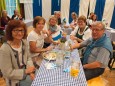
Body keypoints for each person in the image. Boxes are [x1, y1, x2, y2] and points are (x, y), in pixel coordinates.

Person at [0, 20, 35, 86]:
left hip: (27, 70)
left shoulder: (24, 42)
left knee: (40, 76)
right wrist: (26, 71)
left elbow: (28, 58)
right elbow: (8, 73)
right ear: (10, 32)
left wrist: (31, 72)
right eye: (16, 30)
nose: (19, 33)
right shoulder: (4, 49)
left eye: (21, 30)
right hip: (15, 79)